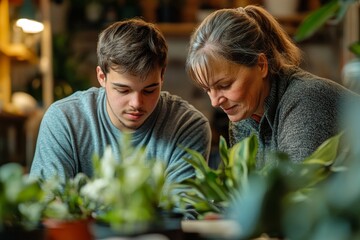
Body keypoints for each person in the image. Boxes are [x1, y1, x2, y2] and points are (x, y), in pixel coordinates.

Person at [30, 19, 211, 191]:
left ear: (162, 75)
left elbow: (181, 215)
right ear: (102, 77)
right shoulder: (64, 120)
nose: (137, 103)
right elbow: (49, 208)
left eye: (149, 90)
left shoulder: (187, 126)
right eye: (123, 90)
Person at [185, 5, 355, 169]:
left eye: (224, 85)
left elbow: (297, 192)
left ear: (261, 65)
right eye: (207, 89)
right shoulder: (244, 118)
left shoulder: (305, 102)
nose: (215, 102)